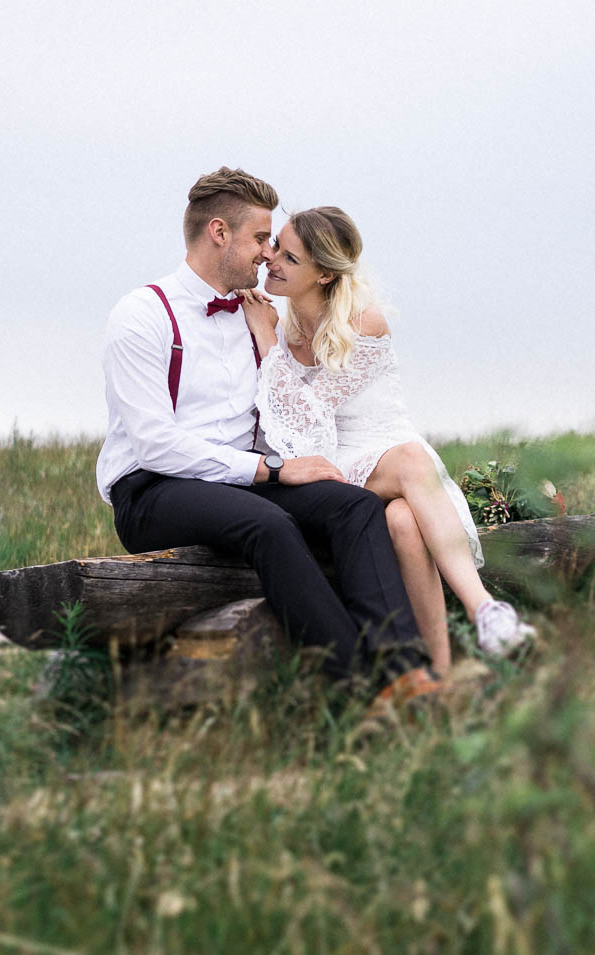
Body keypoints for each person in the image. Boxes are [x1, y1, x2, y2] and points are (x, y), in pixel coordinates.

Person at [96, 168, 439, 714]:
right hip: (153, 489)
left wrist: (292, 461)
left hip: (242, 483)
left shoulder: (258, 317)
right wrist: (271, 472)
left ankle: (407, 675)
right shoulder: (142, 315)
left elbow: (291, 408)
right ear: (219, 233)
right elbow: (155, 444)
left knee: (352, 507)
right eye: (260, 238)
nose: (267, 254)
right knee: (269, 524)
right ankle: (357, 691)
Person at [240, 206, 536, 675]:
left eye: (290, 258)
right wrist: (269, 337)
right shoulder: (279, 327)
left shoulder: (364, 323)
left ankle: (445, 662)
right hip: (334, 460)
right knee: (412, 466)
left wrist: (266, 340)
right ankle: (482, 616)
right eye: (276, 245)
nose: (271, 259)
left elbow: (307, 416)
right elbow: (304, 434)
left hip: (384, 451)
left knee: (403, 518)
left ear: (323, 275)